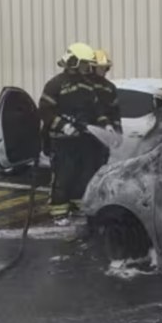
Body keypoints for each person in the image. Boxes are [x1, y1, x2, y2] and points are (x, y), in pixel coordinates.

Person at [38, 43, 105, 218]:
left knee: (83, 175)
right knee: (63, 177)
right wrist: (64, 126)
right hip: (61, 142)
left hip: (82, 140)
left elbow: (96, 108)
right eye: (84, 63)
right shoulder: (55, 84)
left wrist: (103, 124)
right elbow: (45, 111)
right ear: (73, 61)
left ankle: (77, 206)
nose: (87, 67)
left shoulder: (88, 85)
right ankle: (59, 212)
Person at [90, 49, 122, 163]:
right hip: (87, 136)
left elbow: (115, 110)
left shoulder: (109, 87)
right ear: (92, 68)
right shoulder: (86, 85)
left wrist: (117, 130)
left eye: (105, 67)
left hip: (104, 135)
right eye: (100, 67)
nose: (103, 70)